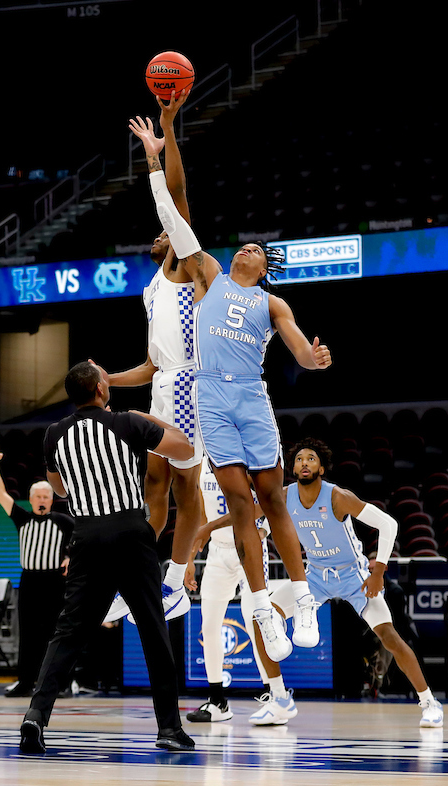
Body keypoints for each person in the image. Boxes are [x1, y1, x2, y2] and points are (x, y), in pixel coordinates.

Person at [132, 114, 330, 661]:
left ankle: (304, 597)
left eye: (255, 249)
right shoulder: (208, 276)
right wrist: (155, 153)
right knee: (239, 502)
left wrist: (313, 361)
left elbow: (298, 351)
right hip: (208, 397)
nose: (245, 248)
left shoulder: (272, 303)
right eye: (241, 245)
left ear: (265, 267)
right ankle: (263, 610)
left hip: (249, 394)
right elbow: (171, 214)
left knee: (271, 499)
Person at [20, 361, 196, 755]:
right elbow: (183, 447)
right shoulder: (128, 423)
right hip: (131, 532)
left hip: (85, 537)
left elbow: (60, 490)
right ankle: (168, 728)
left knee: (68, 632)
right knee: (153, 630)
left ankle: (35, 715)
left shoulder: (53, 434)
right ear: (102, 389)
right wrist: (153, 417)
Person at [102, 88, 202, 625]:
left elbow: (179, 197)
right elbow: (150, 365)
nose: (162, 231)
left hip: (193, 387)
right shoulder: (151, 288)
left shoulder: (186, 267)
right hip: (164, 386)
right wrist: (106, 380)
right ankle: (148, 579)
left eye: (168, 229)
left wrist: (159, 144)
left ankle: (173, 581)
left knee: (185, 487)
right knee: (154, 485)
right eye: (162, 230)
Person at [270, 439, 443, 728]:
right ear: (293, 467)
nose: (304, 463)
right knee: (265, 612)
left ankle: (429, 702)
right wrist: (210, 528)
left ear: (321, 468)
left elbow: (388, 524)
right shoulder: (285, 496)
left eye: (310, 458)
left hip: (354, 576)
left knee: (390, 637)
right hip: (315, 575)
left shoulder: (338, 497)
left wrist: (378, 573)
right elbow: (251, 516)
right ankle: (279, 697)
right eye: (299, 459)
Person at [182, 466, 287, 725]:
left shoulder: (243, 461)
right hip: (217, 552)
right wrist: (189, 556)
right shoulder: (201, 466)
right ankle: (217, 701)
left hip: (248, 546)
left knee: (256, 622)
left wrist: (263, 532)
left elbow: (270, 499)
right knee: (208, 625)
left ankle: (274, 695)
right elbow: (199, 512)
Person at [0, 441, 74, 697]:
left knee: (55, 634)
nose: (43, 500)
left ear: (52, 499)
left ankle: (60, 684)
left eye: (47, 496)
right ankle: (26, 682)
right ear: (31, 499)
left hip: (54, 582)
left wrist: (70, 556)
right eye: (38, 496)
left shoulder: (64, 521)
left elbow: (81, 542)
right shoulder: (22, 518)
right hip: (29, 581)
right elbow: (0, 493)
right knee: (28, 634)